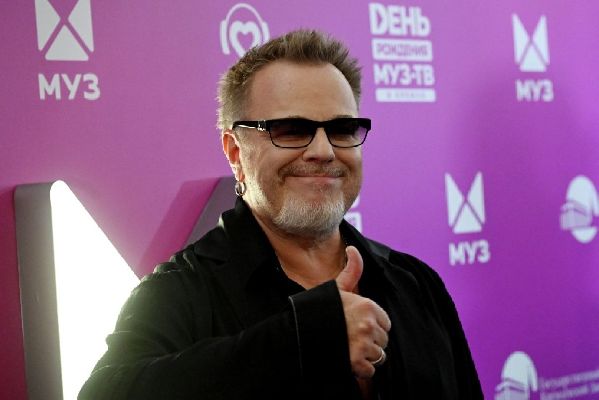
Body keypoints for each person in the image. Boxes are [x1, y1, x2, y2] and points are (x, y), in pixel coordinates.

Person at [79, 29, 482, 399]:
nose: (323, 151)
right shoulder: (182, 292)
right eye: (290, 130)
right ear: (235, 152)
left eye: (341, 129)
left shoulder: (416, 284)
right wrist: (306, 338)